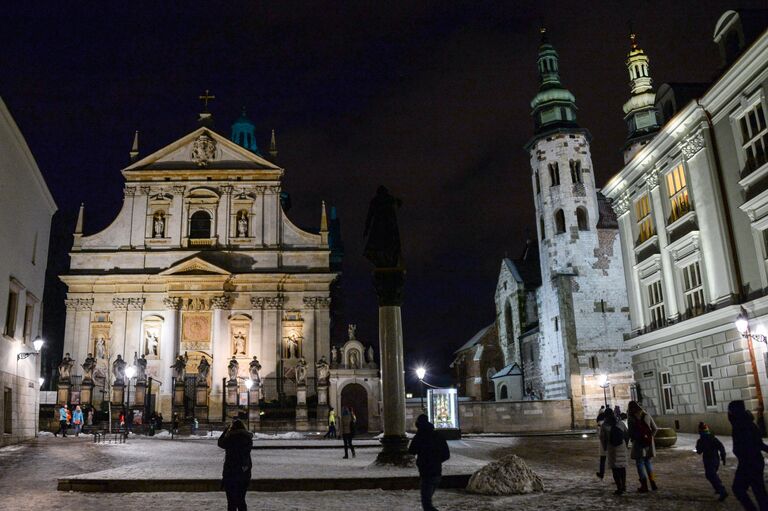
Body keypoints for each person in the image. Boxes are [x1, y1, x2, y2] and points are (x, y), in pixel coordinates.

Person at [729, 400, 768, 510]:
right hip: (751, 462)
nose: (729, 414)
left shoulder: (742, 426)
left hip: (749, 463)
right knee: (759, 491)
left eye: (730, 411)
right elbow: (759, 444)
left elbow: (756, 444)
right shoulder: (745, 423)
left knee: (739, 489)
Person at [408, 414, 451, 511]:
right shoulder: (438, 435)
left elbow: (411, 451)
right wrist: (436, 461)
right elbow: (446, 454)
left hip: (425, 472)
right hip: (437, 472)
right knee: (428, 500)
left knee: (426, 503)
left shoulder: (419, 436)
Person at [217, 418, 253, 511]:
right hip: (244, 473)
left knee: (231, 502)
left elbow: (220, 443)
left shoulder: (230, 438)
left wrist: (226, 430)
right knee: (241, 500)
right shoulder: (247, 438)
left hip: (230, 473)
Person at [627, 400, 658, 492]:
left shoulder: (631, 418)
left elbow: (631, 433)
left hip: (638, 444)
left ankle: (644, 485)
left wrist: (632, 439)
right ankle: (653, 483)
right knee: (648, 463)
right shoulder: (646, 414)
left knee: (640, 463)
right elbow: (655, 428)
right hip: (648, 444)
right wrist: (650, 437)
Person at [696, 422, 728, 502]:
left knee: (711, 475)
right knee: (711, 475)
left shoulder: (701, 440)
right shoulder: (713, 438)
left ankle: (722, 491)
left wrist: (698, 448)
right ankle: (718, 488)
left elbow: (699, 451)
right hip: (716, 460)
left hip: (708, 460)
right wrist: (723, 457)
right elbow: (721, 447)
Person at [599, 408, 628, 495]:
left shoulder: (604, 425)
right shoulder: (620, 423)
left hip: (612, 448)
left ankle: (619, 488)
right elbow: (627, 434)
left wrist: (605, 448)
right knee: (622, 467)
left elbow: (602, 438)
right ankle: (624, 486)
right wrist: (625, 444)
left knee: (615, 469)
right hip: (622, 446)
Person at [596, 406, 606, 480]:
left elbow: (600, 436)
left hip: (603, 445)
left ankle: (601, 473)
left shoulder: (600, 426)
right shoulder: (609, 423)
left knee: (602, 460)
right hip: (612, 445)